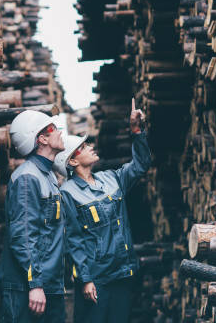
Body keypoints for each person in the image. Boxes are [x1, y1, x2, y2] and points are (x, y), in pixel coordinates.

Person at [54, 99, 151, 323]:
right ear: (72, 161)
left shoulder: (111, 178)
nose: (90, 147)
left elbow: (141, 165)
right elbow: (73, 241)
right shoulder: (68, 193)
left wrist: (137, 131)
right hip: (97, 280)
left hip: (123, 273)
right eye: (83, 147)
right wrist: (85, 280)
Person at [0, 110, 67, 323]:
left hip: (49, 284)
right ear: (42, 139)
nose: (59, 131)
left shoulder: (48, 176)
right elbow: (24, 236)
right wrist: (35, 284)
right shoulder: (28, 178)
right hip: (27, 288)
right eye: (53, 128)